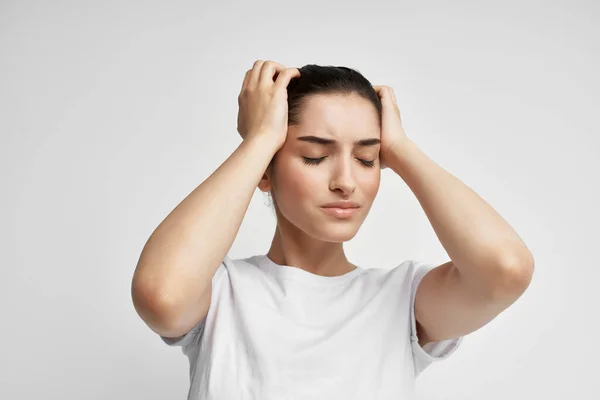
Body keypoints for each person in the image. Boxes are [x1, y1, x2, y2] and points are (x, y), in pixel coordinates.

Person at [131, 60, 534, 399]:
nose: (346, 180)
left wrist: (402, 149)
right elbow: (159, 295)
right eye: (315, 156)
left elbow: (506, 270)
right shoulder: (221, 294)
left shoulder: (400, 302)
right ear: (266, 170)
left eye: (367, 158)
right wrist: (258, 141)